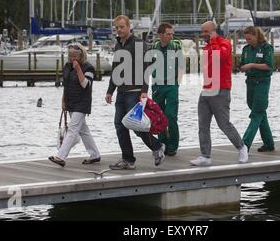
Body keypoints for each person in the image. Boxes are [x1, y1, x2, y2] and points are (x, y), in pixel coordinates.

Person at [105, 15, 165, 170]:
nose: (119, 30)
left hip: (135, 92)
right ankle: (128, 159)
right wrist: (110, 91)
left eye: (122, 27)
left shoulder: (138, 43)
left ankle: (157, 147)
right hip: (121, 93)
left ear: (129, 26)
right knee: (120, 126)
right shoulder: (119, 45)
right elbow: (116, 70)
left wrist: (144, 90)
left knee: (137, 126)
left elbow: (146, 68)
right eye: (117, 27)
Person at [190, 21, 249, 166]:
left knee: (224, 124)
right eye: (202, 31)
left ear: (214, 31)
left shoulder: (224, 43)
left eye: (206, 31)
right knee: (203, 125)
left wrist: (214, 40)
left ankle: (241, 147)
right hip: (206, 89)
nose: (203, 34)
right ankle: (205, 156)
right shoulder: (207, 46)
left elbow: (220, 57)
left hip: (221, 89)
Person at [49, 43, 101, 167]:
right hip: (70, 101)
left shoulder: (88, 68)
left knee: (72, 129)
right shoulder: (66, 66)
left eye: (75, 56)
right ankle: (95, 154)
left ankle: (60, 156)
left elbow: (86, 85)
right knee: (83, 130)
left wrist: (78, 69)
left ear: (81, 55)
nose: (72, 59)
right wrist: (63, 100)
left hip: (82, 103)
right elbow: (66, 85)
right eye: (70, 56)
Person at [239, 26, 275, 152]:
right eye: (246, 39)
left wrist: (252, 65)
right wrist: (243, 67)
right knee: (259, 112)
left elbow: (269, 66)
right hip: (250, 82)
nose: (248, 41)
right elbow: (241, 64)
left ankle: (245, 144)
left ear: (256, 36)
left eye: (250, 38)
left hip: (262, 82)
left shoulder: (266, 48)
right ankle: (269, 143)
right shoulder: (246, 49)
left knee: (257, 113)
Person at [151, 23, 185, 156]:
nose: (171, 36)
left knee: (171, 115)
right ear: (160, 35)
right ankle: (162, 143)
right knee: (158, 116)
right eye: (168, 34)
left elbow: (181, 66)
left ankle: (173, 145)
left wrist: (177, 82)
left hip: (171, 85)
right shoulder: (153, 47)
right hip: (157, 85)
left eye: (172, 34)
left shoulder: (176, 47)